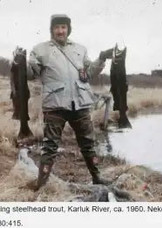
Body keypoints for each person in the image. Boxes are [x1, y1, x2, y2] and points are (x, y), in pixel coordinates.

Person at [28, 14, 113, 190]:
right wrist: (22, 63)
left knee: (89, 144)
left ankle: (97, 177)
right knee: (50, 147)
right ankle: (41, 184)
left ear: (68, 29)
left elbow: (88, 74)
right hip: (55, 106)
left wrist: (102, 58)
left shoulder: (80, 49)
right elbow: (31, 74)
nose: (60, 31)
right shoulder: (40, 50)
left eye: (63, 27)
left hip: (80, 104)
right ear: (52, 30)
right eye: (57, 27)